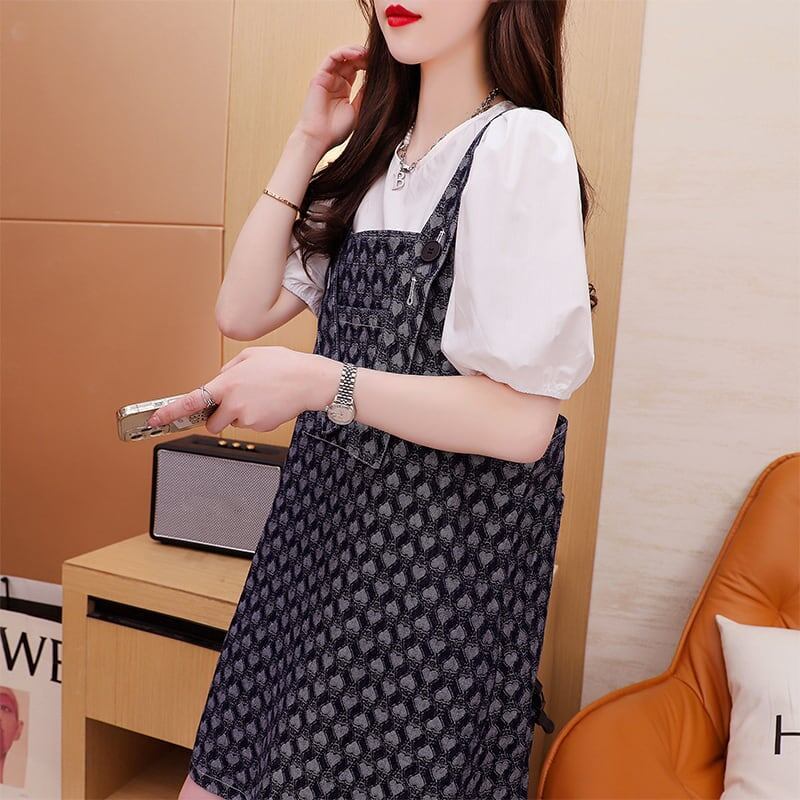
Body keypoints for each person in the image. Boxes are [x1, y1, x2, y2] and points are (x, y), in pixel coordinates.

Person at [150, 1, 597, 797]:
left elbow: (523, 422)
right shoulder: (377, 163)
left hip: (426, 589)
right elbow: (241, 309)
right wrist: (308, 139)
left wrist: (319, 382)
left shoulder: (520, 146)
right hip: (309, 554)